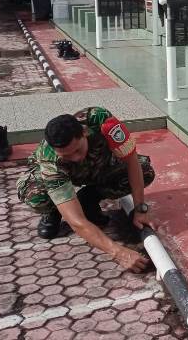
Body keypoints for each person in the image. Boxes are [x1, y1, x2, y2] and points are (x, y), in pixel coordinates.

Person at [16, 106, 157, 272]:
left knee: (144, 170)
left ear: (84, 132)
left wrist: (140, 208)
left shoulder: (101, 120)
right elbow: (77, 222)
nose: (75, 158)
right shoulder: (50, 160)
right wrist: (117, 252)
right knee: (36, 196)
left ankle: (89, 197)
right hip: (62, 176)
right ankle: (54, 209)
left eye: (77, 150)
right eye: (66, 155)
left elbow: (131, 159)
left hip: (96, 165)